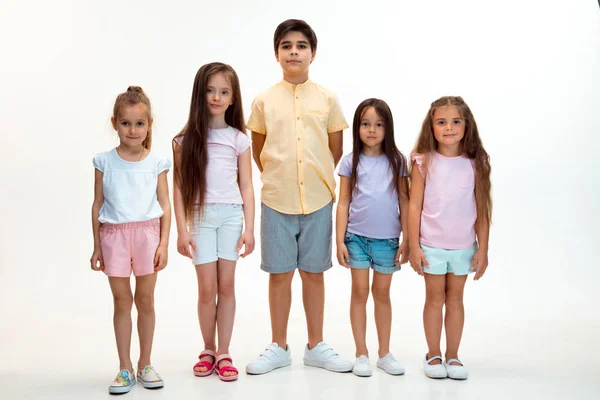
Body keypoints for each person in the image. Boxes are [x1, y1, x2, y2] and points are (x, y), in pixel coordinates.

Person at [245, 19, 353, 375]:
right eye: (287, 45)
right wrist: (281, 177)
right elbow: (259, 150)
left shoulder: (327, 98)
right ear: (276, 54)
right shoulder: (263, 100)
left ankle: (315, 345)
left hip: (319, 201)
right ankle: (278, 345)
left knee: (314, 273)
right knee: (279, 274)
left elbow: (333, 150)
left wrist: (315, 178)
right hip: (277, 200)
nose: (294, 51)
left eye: (301, 45)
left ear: (313, 53)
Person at [173, 62, 254, 382]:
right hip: (201, 218)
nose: (216, 97)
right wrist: (181, 230)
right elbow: (177, 188)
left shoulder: (239, 139)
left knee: (227, 286)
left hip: (232, 216)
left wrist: (249, 228)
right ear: (199, 94)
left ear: (233, 98)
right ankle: (208, 349)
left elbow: (247, 185)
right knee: (207, 289)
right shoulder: (183, 141)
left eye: (224, 91)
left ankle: (225, 352)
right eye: (210, 90)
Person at [91, 86, 171, 394]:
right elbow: (97, 205)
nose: (133, 130)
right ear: (115, 123)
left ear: (150, 124)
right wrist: (98, 245)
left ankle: (145, 363)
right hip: (114, 237)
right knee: (122, 301)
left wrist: (163, 244)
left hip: (147, 235)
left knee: (146, 300)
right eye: (126, 123)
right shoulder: (103, 162)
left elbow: (165, 206)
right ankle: (124, 367)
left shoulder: (157, 162)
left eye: (140, 123)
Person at [408, 96, 492, 380]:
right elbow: (414, 205)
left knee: (455, 299)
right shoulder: (423, 161)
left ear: (466, 126)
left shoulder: (476, 162)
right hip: (431, 245)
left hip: (463, 246)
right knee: (434, 298)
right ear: (431, 127)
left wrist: (483, 249)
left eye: (456, 121)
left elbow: (482, 208)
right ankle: (433, 353)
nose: (449, 128)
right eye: (441, 122)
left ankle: (453, 355)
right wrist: (413, 246)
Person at [336, 98, 409, 377]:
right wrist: (340, 240)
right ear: (357, 128)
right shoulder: (350, 161)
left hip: (388, 240)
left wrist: (408, 240)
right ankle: (361, 353)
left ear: (387, 128)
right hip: (356, 237)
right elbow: (343, 202)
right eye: (365, 124)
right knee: (359, 293)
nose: (371, 130)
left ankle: (384, 353)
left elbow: (405, 199)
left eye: (378, 124)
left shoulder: (397, 161)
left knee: (382, 294)